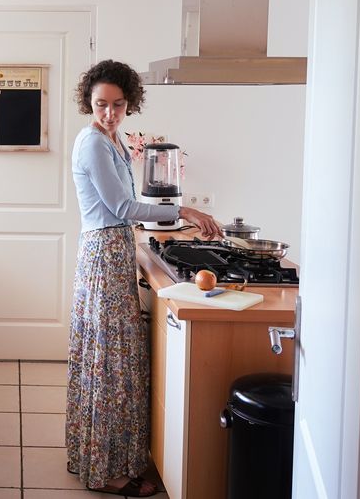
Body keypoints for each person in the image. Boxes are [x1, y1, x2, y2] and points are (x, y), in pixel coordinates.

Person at [66, 59, 221, 496]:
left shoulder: (110, 139)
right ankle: (107, 472)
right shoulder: (93, 144)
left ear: (129, 102)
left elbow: (124, 205)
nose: (109, 112)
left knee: (110, 362)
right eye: (101, 104)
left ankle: (96, 457)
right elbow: (120, 207)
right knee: (110, 364)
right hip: (102, 256)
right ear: (89, 102)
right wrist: (183, 210)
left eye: (117, 104)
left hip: (113, 251)